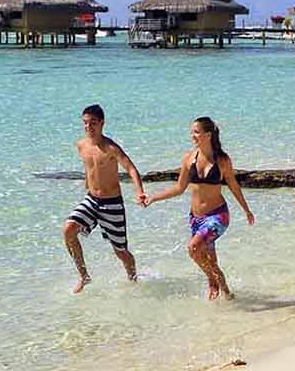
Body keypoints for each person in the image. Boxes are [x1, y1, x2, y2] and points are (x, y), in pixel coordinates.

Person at [142, 116, 254, 300]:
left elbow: (233, 185)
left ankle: (212, 281)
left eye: (196, 132)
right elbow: (179, 188)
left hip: (218, 215)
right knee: (210, 259)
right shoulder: (188, 159)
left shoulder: (222, 160)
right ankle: (228, 296)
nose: (192, 136)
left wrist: (246, 210)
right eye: (192, 132)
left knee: (194, 248)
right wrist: (153, 197)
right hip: (196, 218)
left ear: (208, 135)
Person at [64, 103, 147, 293]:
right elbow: (90, 168)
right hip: (92, 200)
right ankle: (84, 276)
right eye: (85, 123)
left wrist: (139, 191)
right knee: (69, 229)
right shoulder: (81, 145)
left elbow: (131, 168)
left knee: (120, 251)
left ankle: (133, 279)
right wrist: (89, 184)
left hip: (112, 204)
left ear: (102, 123)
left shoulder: (111, 147)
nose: (88, 127)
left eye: (93, 123)